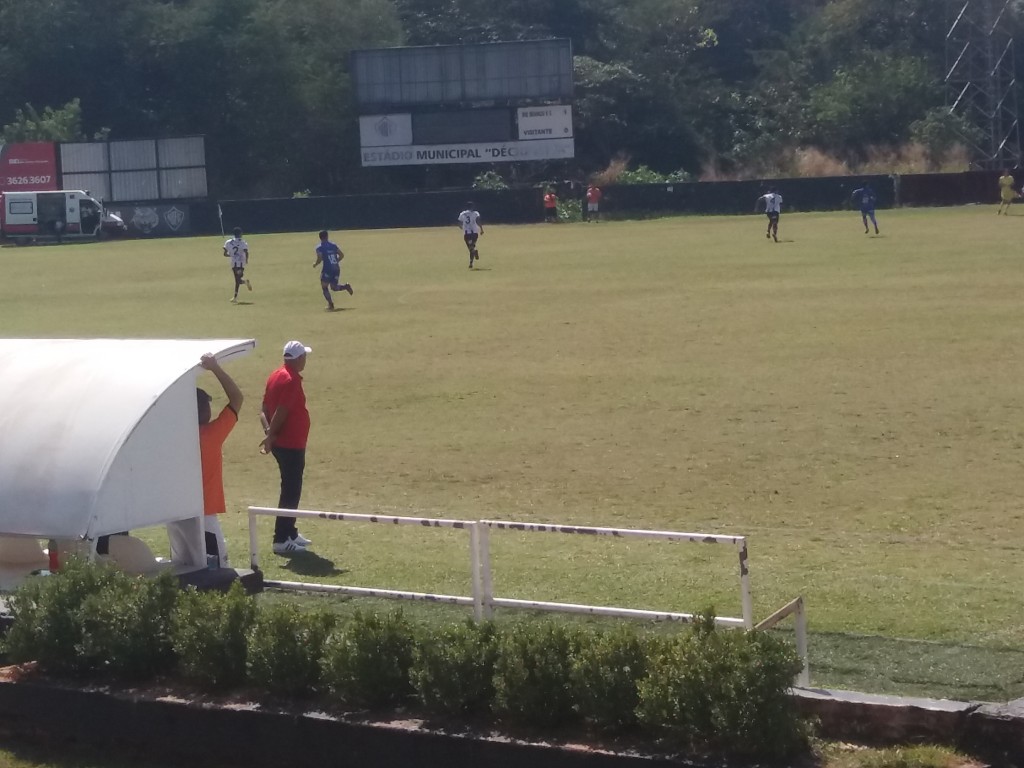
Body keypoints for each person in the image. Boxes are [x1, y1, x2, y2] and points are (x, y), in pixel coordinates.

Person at [261, 341, 313, 554]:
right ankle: (281, 539)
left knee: (291, 488)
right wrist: (271, 436)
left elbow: (263, 409)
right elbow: (281, 411)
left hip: (284, 443)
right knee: (291, 490)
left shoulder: (276, 375)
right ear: (299, 358)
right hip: (290, 444)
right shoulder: (291, 380)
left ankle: (290, 531)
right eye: (305, 357)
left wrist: (268, 434)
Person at [197, 353, 243, 566]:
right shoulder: (212, 434)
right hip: (205, 515)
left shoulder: (173, 437)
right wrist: (215, 368)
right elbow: (236, 398)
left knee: (185, 566)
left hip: (177, 515)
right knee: (219, 569)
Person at [313, 230, 353, 311]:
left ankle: (331, 305)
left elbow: (319, 258)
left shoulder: (319, 247)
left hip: (327, 269)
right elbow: (341, 255)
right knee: (334, 287)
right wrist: (336, 261)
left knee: (324, 287)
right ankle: (346, 286)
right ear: (327, 236)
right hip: (336, 268)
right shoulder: (333, 245)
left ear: (320, 237)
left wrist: (315, 264)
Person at [223, 227, 251, 303]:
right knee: (237, 279)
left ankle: (235, 297)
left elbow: (225, 254)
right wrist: (246, 260)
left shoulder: (228, 242)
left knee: (237, 279)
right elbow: (246, 252)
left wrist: (231, 255)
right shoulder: (243, 242)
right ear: (240, 234)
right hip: (241, 262)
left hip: (233, 263)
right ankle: (244, 282)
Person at [457, 202, 484, 268]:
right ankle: (471, 262)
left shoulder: (462, 213)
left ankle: (472, 259)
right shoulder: (475, 213)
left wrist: (462, 227)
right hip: (474, 233)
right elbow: (478, 221)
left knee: (470, 248)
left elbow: (459, 223)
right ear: (472, 207)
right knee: (472, 246)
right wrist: (481, 229)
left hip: (467, 234)